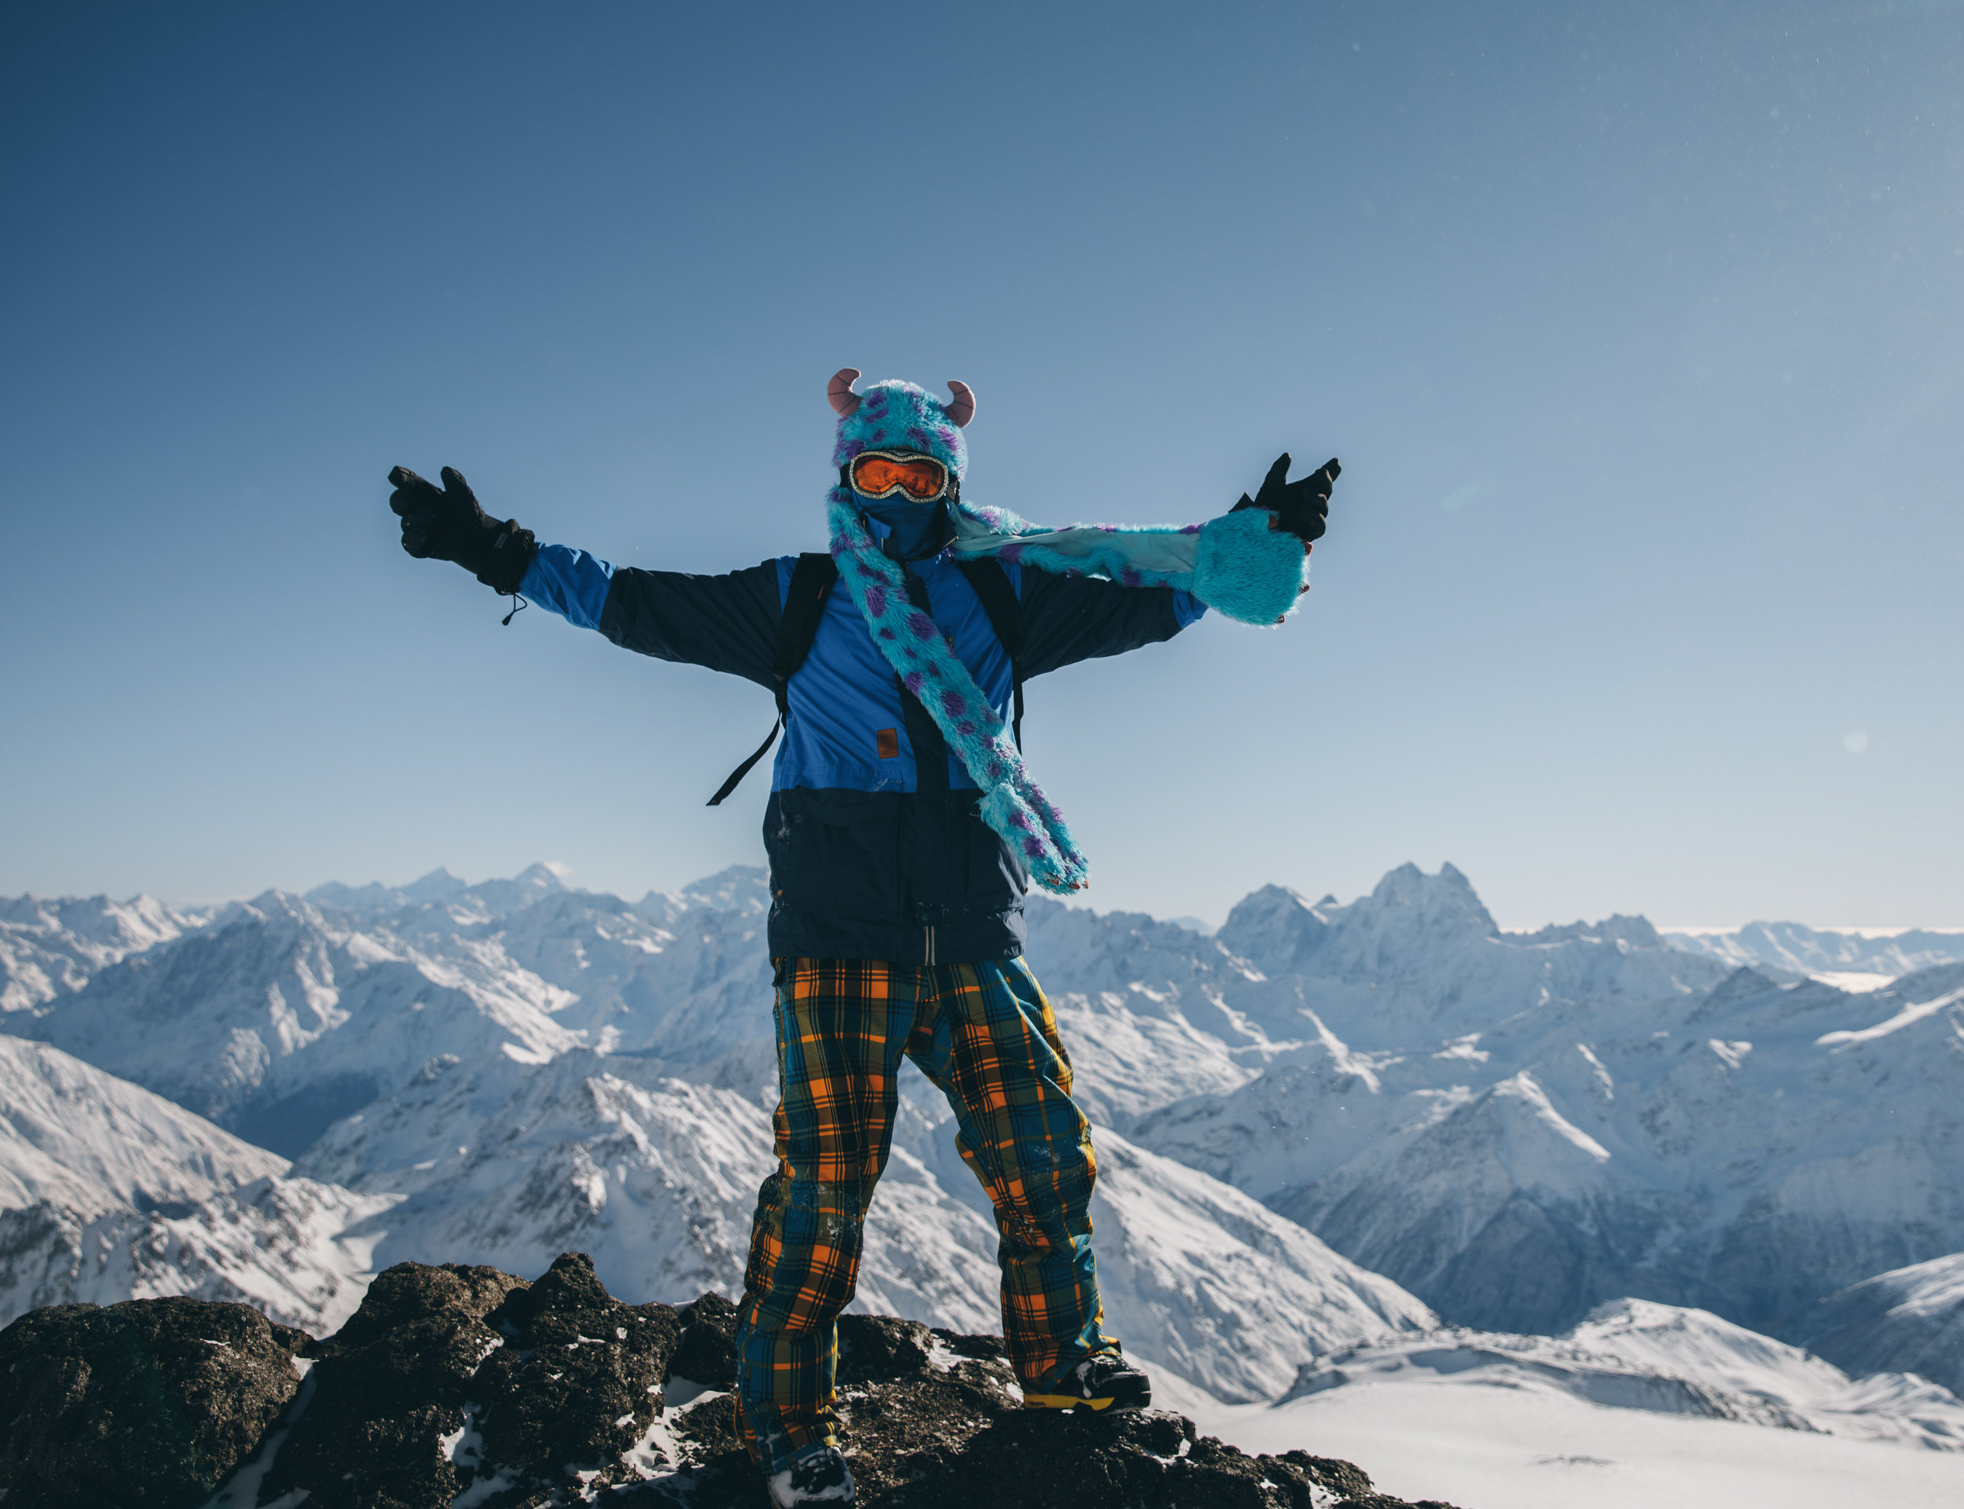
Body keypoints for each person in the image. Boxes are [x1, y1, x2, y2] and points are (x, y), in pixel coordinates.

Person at [387, 369, 1338, 1508]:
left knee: (1043, 1151)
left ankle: (1064, 1363)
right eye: (874, 471)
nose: (894, 494)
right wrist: (494, 547)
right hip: (840, 937)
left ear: (949, 485)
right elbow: (632, 602)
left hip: (975, 932)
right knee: (826, 1184)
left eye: (919, 474)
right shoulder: (797, 598)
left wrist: (1259, 540)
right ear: (844, 476)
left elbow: (1160, 596)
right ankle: (790, 1424)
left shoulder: (1004, 596)